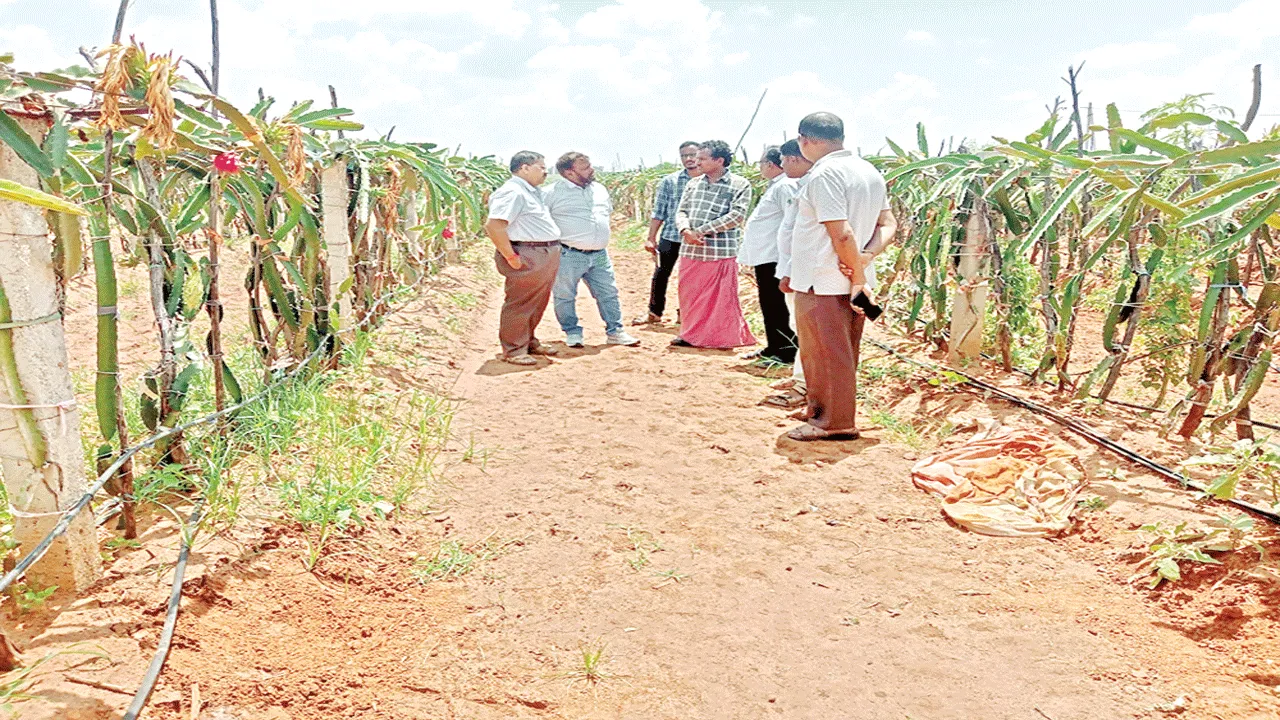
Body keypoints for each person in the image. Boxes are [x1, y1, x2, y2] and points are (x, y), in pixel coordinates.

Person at [787, 112, 897, 441]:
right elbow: (888, 225)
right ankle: (832, 414)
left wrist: (858, 276)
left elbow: (842, 234)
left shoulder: (825, 175)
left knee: (823, 353)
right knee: (841, 351)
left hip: (824, 279)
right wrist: (864, 261)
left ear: (806, 140)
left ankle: (831, 423)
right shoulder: (869, 171)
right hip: (848, 275)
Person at [545, 152, 641, 348]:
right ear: (569, 172)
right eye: (585, 167)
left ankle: (615, 331)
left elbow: (607, 214)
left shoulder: (599, 189)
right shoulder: (551, 193)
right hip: (568, 254)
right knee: (564, 295)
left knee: (608, 292)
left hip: (599, 254)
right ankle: (572, 332)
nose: (592, 170)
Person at [671, 140, 756, 349]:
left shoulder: (739, 184)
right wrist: (685, 230)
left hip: (720, 250)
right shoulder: (693, 183)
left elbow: (736, 216)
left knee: (719, 299)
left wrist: (700, 231)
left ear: (719, 160)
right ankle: (690, 335)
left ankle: (719, 338)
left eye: (702, 158)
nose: (695, 162)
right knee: (690, 294)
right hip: (691, 249)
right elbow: (681, 211)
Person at [483, 151, 562, 366]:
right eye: (541, 167)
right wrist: (510, 256)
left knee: (537, 300)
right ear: (524, 168)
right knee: (520, 302)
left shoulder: (531, 191)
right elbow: (494, 225)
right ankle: (514, 349)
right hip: (528, 252)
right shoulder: (512, 192)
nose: (546, 171)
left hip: (543, 253)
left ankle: (528, 340)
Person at [763, 139, 814, 410]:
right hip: (795, 270)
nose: (779, 166)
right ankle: (799, 377)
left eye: (782, 160)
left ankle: (806, 385)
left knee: (807, 331)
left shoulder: (815, 185)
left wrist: (789, 271)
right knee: (798, 327)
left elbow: (807, 236)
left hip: (805, 273)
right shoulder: (801, 185)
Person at [737, 145, 798, 364]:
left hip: (775, 256)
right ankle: (774, 346)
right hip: (766, 255)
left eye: (761, 163)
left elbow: (792, 220)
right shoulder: (778, 185)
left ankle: (785, 351)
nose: (760, 167)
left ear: (771, 164)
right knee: (769, 303)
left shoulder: (785, 186)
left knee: (776, 305)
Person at [633, 141, 702, 325]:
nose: (688, 159)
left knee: (691, 277)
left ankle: (685, 313)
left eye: (692, 154)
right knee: (661, 274)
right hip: (671, 235)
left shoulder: (709, 180)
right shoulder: (670, 181)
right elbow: (659, 212)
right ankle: (654, 313)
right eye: (684, 156)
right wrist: (651, 238)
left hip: (698, 238)